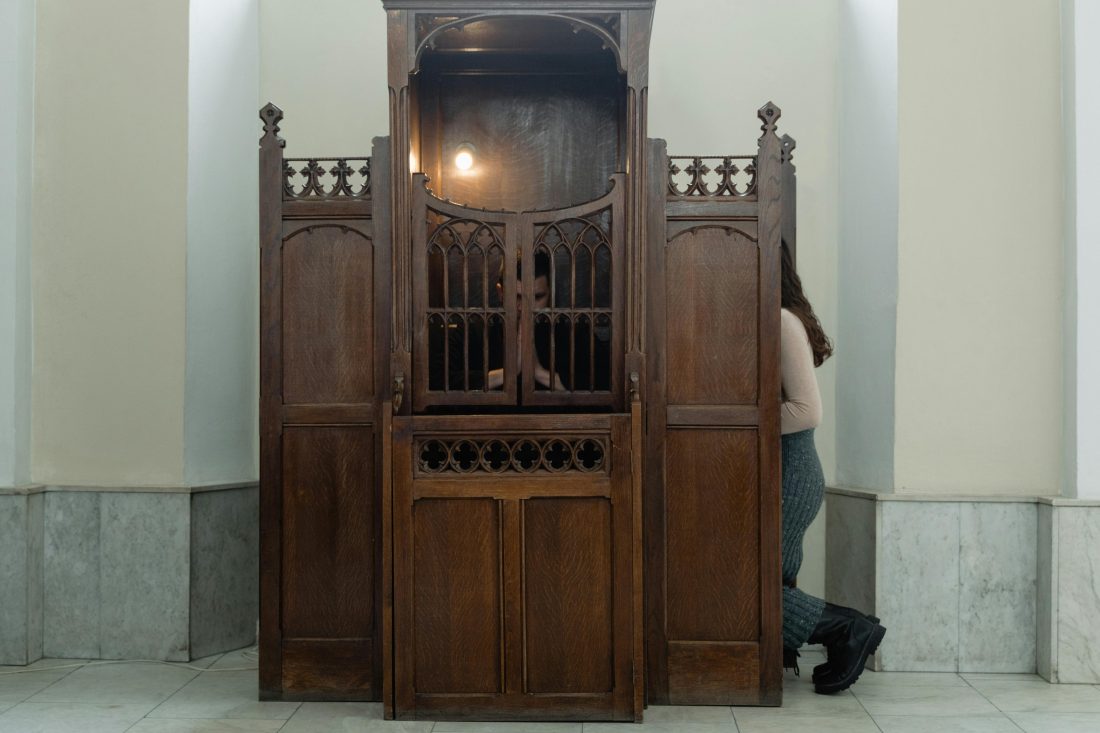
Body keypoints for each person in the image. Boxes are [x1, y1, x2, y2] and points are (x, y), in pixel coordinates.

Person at [778, 242, 885, 695]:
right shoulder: (774, 317)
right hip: (784, 473)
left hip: (791, 475)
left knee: (749, 587)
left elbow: (807, 411)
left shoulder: (781, 321)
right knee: (762, 581)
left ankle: (848, 629)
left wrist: (742, 425)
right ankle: (850, 628)